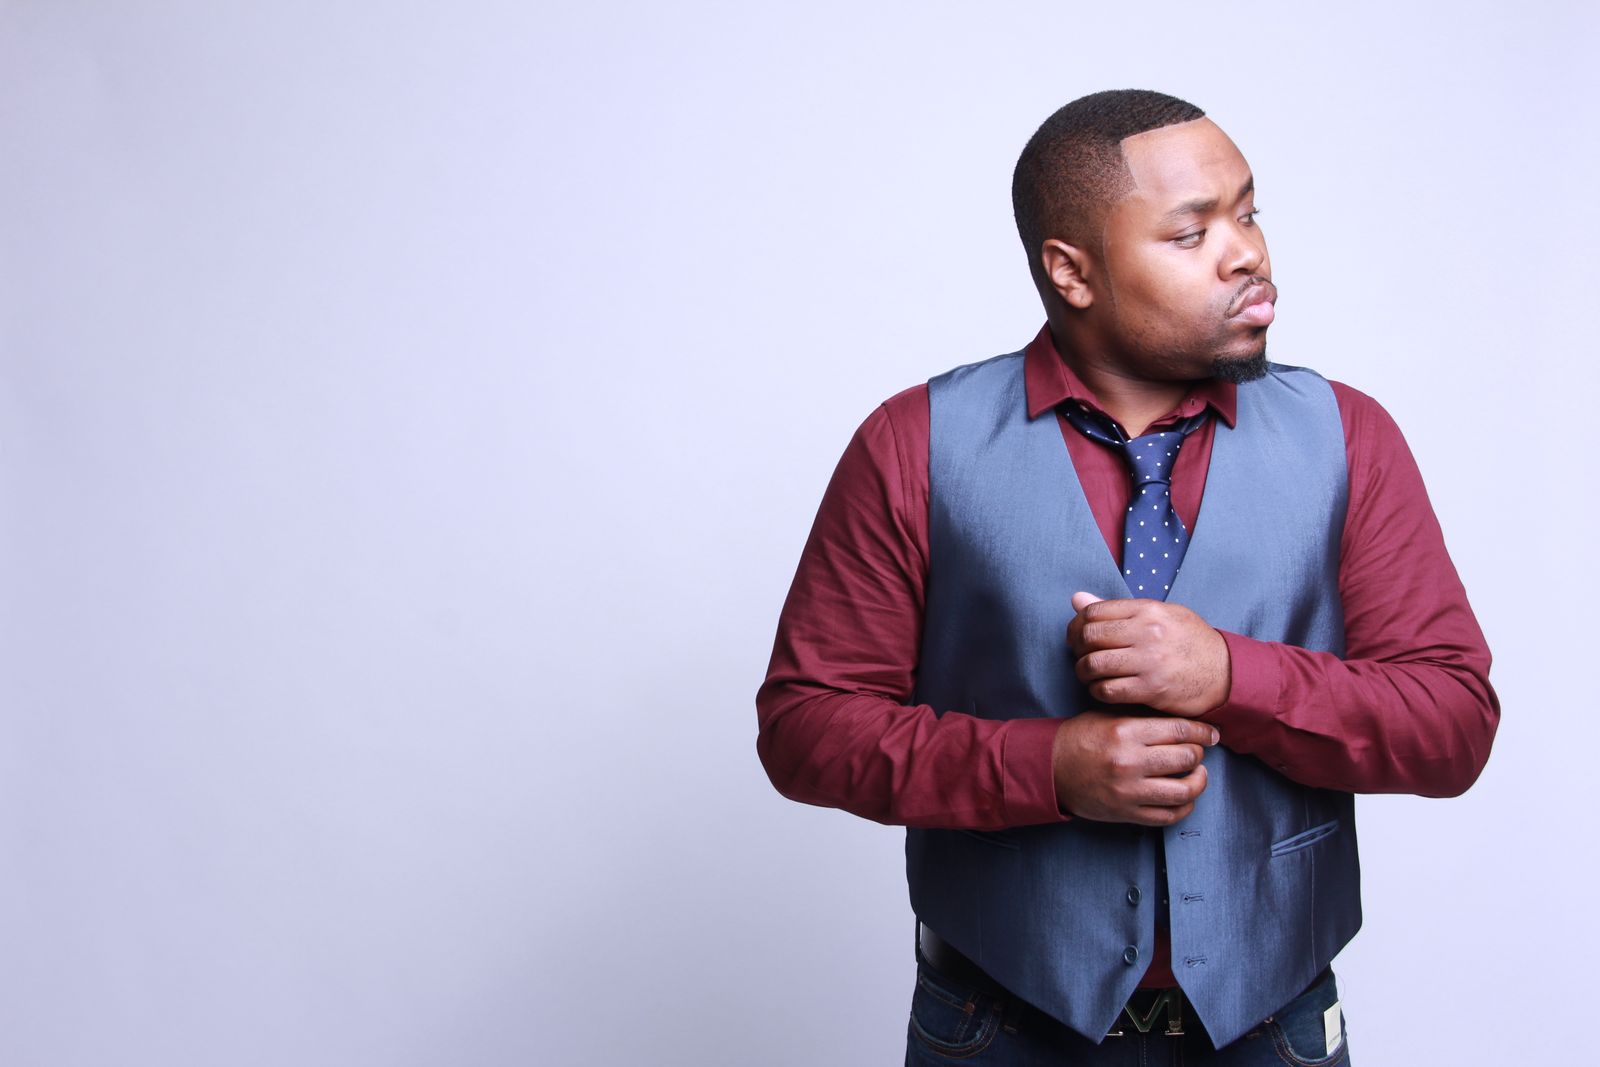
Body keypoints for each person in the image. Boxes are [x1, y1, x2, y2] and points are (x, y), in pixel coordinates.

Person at [755, 89, 1499, 1065]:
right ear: (1071, 271)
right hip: (996, 1025)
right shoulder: (914, 443)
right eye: (1192, 233)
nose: (1247, 254)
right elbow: (806, 726)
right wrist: (1048, 768)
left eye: (1248, 213)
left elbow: (1452, 723)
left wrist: (1229, 675)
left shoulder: (1347, 436)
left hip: (1272, 1026)